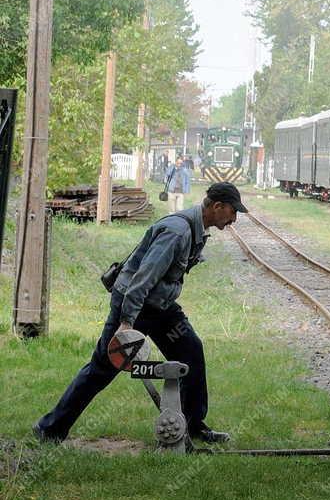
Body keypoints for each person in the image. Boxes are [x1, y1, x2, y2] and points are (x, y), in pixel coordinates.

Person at [34, 181, 247, 447]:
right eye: (233, 211)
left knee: (190, 350)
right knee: (102, 369)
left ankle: (191, 426)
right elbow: (142, 280)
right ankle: (49, 429)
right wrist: (126, 324)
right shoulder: (177, 232)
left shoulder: (196, 229)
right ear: (217, 207)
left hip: (161, 307)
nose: (234, 219)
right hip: (134, 304)